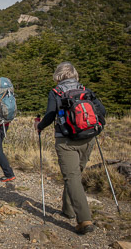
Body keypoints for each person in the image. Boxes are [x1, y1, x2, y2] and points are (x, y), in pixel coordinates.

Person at [36, 62, 105, 235]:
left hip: (66, 141)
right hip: (88, 137)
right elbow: (102, 111)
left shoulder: (56, 92)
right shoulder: (85, 90)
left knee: (72, 177)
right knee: (75, 175)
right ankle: (68, 209)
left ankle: (84, 220)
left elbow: (50, 115)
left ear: (58, 76)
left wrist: (40, 126)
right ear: (74, 74)